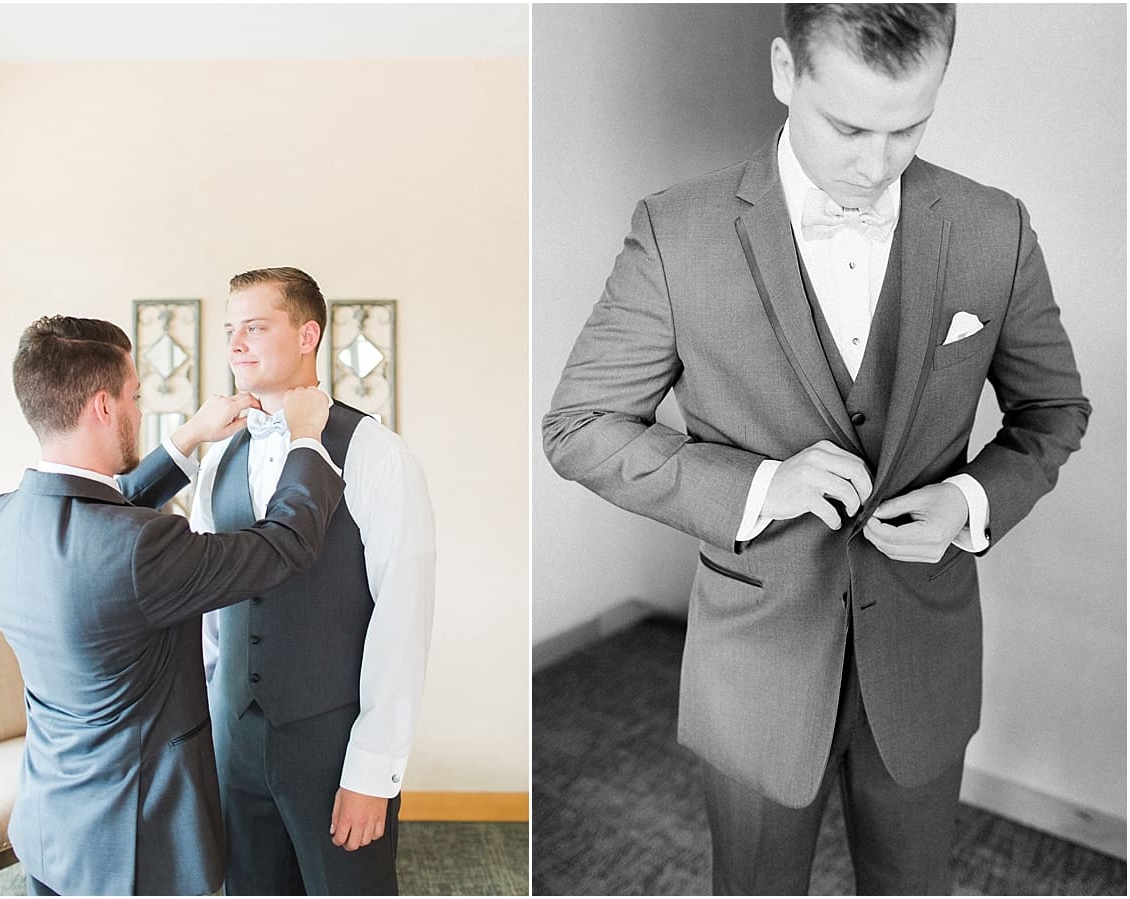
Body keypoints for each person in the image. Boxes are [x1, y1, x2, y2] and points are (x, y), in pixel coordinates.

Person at [542, 4, 1090, 895]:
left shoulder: (996, 228)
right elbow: (578, 427)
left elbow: (1054, 407)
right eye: (848, 126)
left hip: (923, 659)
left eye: (909, 125)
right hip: (756, 670)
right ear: (783, 72)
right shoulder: (677, 232)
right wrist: (759, 485)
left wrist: (971, 503)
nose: (877, 165)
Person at [0, 315, 342, 895]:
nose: (140, 410)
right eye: (135, 396)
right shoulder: (140, 549)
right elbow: (284, 546)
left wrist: (191, 435)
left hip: (51, 830)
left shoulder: (2, 519)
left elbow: (102, 513)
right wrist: (306, 439)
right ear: (104, 406)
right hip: (137, 847)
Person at [190, 267, 435, 895]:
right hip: (232, 738)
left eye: (255, 326)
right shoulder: (218, 456)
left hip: (332, 742)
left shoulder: (377, 453)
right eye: (229, 331)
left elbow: (402, 618)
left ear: (307, 334)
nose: (236, 344)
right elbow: (209, 612)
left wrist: (372, 770)